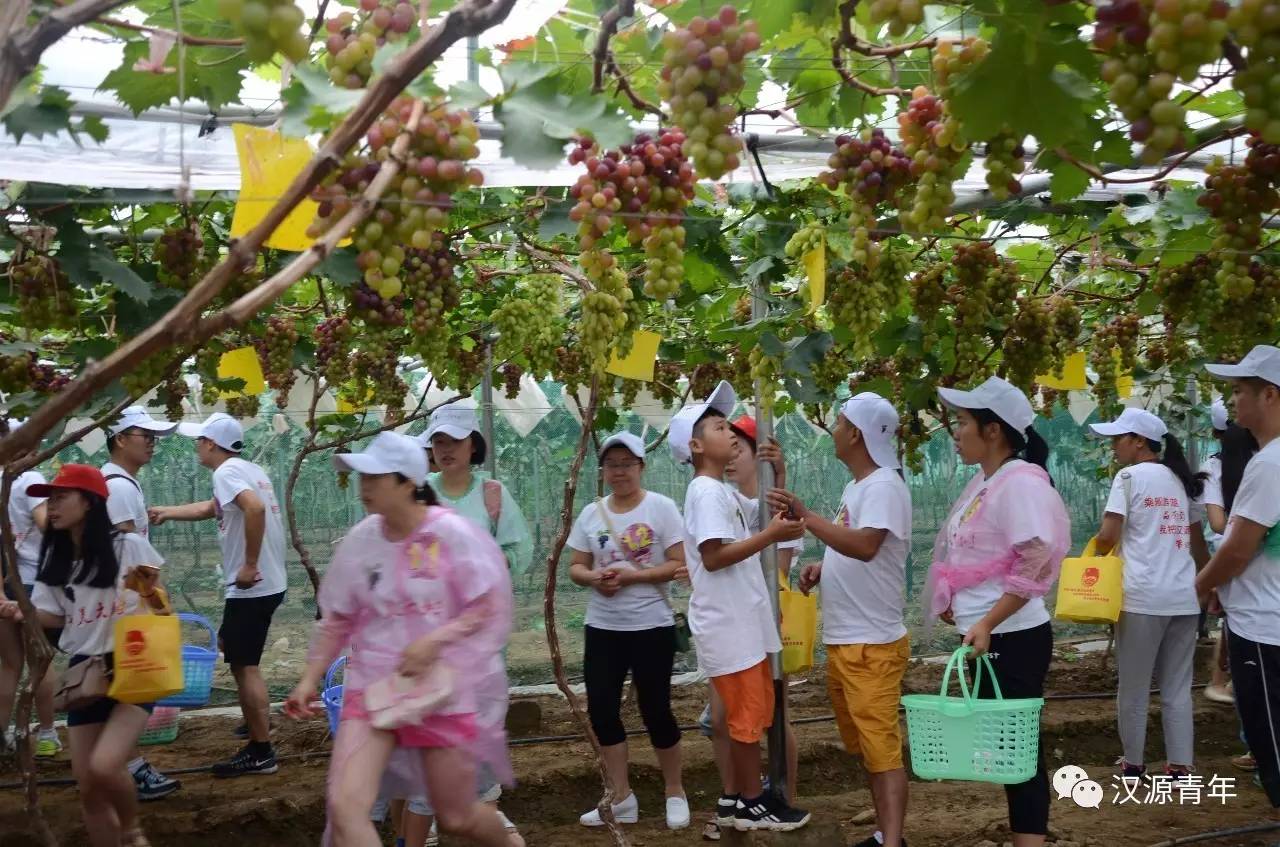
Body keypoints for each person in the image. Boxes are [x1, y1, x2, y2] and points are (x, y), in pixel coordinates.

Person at [283, 432, 513, 847]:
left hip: (440, 691)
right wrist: (308, 679)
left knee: (456, 817)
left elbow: (487, 606)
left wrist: (436, 640)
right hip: (373, 688)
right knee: (345, 805)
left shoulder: (451, 535)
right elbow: (338, 618)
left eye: (375, 477)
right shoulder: (362, 540)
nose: (363, 486)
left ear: (408, 482)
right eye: (360, 477)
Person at [924, 377, 1071, 847]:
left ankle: (1031, 839)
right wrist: (961, 607)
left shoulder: (1019, 483)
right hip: (991, 635)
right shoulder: (989, 481)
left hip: (1013, 638)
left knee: (1019, 749)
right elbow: (977, 554)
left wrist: (988, 620)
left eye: (964, 422)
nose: (956, 431)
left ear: (993, 431)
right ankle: (1027, 836)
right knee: (1008, 747)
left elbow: (1038, 555)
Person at [768, 392, 912, 847]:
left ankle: (892, 841)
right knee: (870, 750)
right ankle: (882, 834)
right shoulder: (859, 487)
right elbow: (853, 543)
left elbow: (868, 545)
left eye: (839, 422)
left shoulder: (885, 485)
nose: (832, 429)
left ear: (856, 433)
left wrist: (807, 517)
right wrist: (824, 567)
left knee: (883, 751)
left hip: (872, 644)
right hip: (849, 639)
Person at [0, 465, 167, 847]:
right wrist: (17, 610)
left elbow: (156, 599)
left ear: (89, 503)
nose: (51, 506)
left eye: (61, 497)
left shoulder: (128, 547)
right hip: (86, 670)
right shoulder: (55, 560)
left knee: (105, 765)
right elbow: (55, 615)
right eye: (49, 498)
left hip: (133, 663)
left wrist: (146, 599)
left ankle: (131, 829)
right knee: (88, 786)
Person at [669, 380, 809, 832]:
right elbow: (712, 558)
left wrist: (779, 476)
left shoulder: (721, 493)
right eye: (717, 425)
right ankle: (752, 801)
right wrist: (768, 538)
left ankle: (737, 800)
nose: (729, 431)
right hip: (729, 623)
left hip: (740, 622)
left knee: (755, 709)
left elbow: (765, 517)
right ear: (695, 445)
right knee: (748, 716)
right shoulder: (706, 493)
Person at [149, 413, 287, 778]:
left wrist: (248, 564)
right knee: (235, 648)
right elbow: (214, 508)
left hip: (253, 585)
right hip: (270, 582)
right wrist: (168, 513)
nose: (196, 445)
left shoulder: (225, 473)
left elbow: (254, 509)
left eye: (199, 440)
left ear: (211, 443)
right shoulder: (248, 469)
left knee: (244, 665)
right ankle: (257, 722)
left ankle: (261, 750)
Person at [568, 432, 689, 830]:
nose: (619, 471)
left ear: (641, 467)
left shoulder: (662, 508)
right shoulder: (591, 513)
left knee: (657, 710)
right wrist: (594, 578)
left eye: (626, 464)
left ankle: (675, 791)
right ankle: (621, 797)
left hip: (650, 624)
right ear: (603, 471)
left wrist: (633, 577)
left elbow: (677, 563)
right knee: (602, 710)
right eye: (612, 465)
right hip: (603, 627)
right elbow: (576, 566)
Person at [1089, 408, 1207, 780]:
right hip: (1184, 599)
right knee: (1177, 687)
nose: (1112, 447)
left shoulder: (1128, 478)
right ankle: (1180, 766)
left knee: (1135, 688)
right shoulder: (1179, 480)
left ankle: (1134, 764)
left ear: (1139, 441)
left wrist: (1089, 562)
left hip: (1142, 598)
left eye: (1117, 439)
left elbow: (1108, 536)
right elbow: (1198, 546)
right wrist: (1208, 585)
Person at [1196, 344, 1280, 810]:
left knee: (1273, 747)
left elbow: (1237, 547)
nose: (1234, 403)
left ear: (1270, 395)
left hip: (1263, 630)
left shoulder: (1268, 464)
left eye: (1239, 391)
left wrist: (1204, 583)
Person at [101, 406, 182, 801]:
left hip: (120, 603)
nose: (151, 442)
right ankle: (129, 768)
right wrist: (156, 604)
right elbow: (130, 554)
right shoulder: (116, 487)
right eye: (143, 435)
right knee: (136, 688)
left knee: (129, 688)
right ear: (120, 439)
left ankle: (123, 765)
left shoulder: (122, 483)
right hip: (122, 605)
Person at [0, 419, 57, 759]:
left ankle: (3, 734)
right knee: (42, 664)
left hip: (10, 583)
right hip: (36, 582)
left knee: (9, 665)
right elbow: (48, 526)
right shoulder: (29, 478)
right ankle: (49, 733)